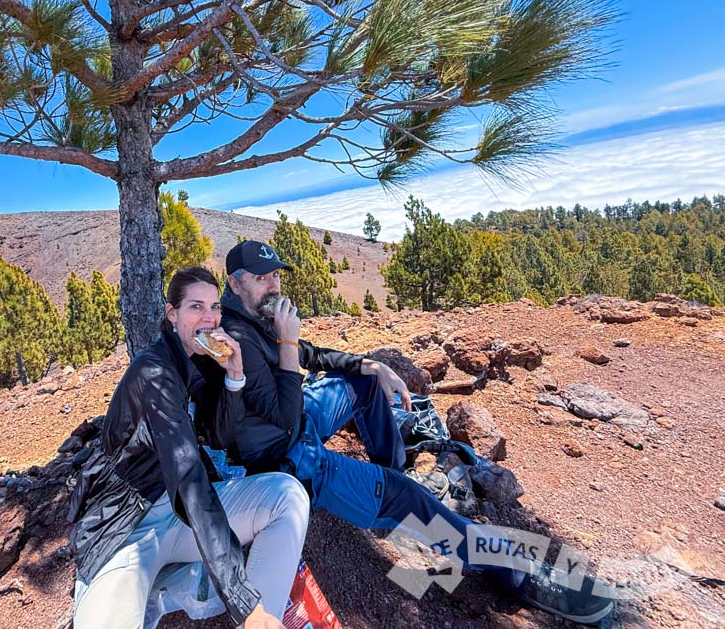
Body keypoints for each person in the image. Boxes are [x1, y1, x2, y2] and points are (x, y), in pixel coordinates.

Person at [212, 240, 615, 625]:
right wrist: (286, 339)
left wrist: (370, 365)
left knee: (364, 383)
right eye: (262, 278)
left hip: (298, 425)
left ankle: (393, 472)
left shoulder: (257, 315)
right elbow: (285, 415)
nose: (274, 285)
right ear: (234, 282)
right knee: (408, 499)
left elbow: (308, 354)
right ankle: (512, 571)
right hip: (290, 461)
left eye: (276, 276)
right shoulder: (236, 339)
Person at [69, 266, 310, 629]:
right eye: (196, 307)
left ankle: (266, 621)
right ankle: (250, 613)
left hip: (179, 520)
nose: (210, 317)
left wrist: (234, 377)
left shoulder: (199, 359)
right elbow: (189, 478)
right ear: (172, 314)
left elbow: (218, 438)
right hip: (128, 526)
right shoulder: (153, 372)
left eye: (214, 307)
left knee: (286, 495)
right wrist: (243, 602)